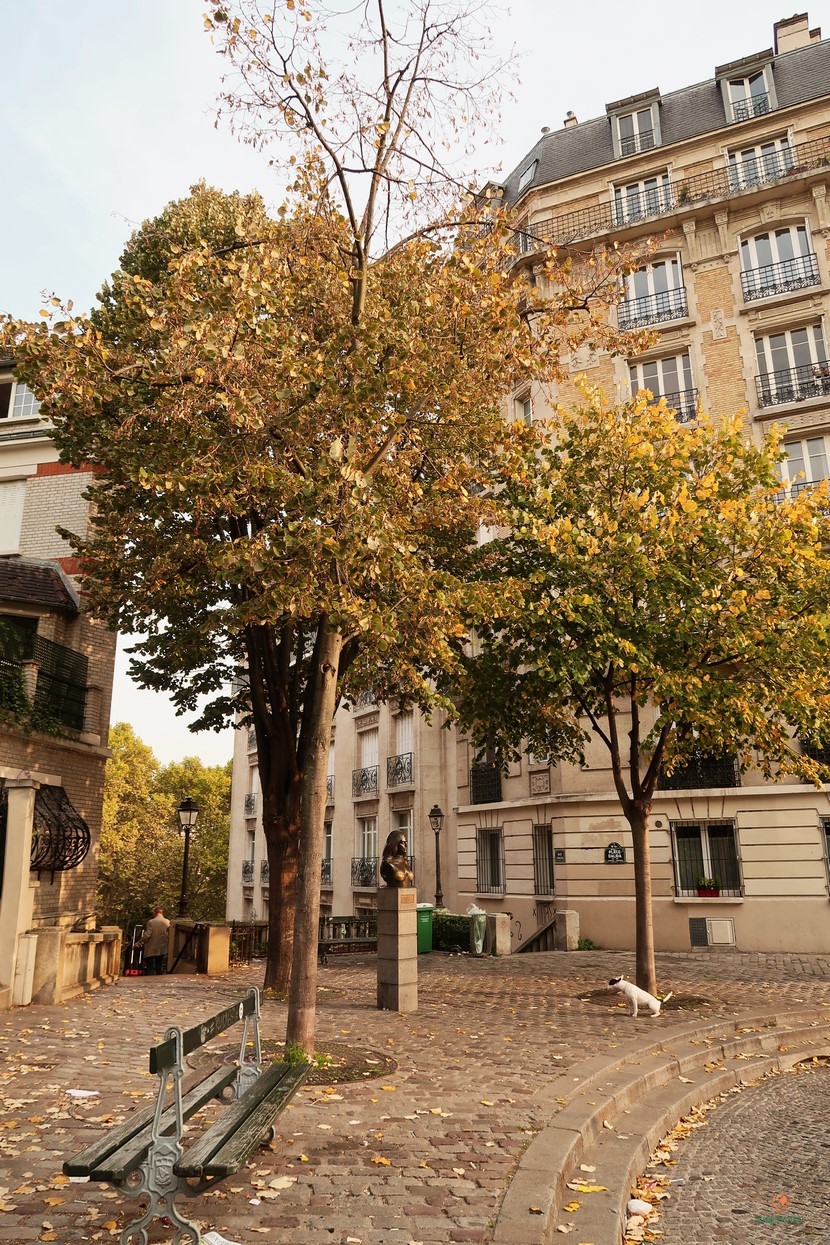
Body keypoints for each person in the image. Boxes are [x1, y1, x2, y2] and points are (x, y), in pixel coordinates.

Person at [139, 906, 170, 975]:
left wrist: (139, 942)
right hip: (162, 948)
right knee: (159, 967)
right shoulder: (167, 922)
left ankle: (150, 979)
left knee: (150, 967)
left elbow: (147, 935)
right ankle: (159, 979)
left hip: (151, 948)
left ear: (154, 912)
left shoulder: (151, 922)